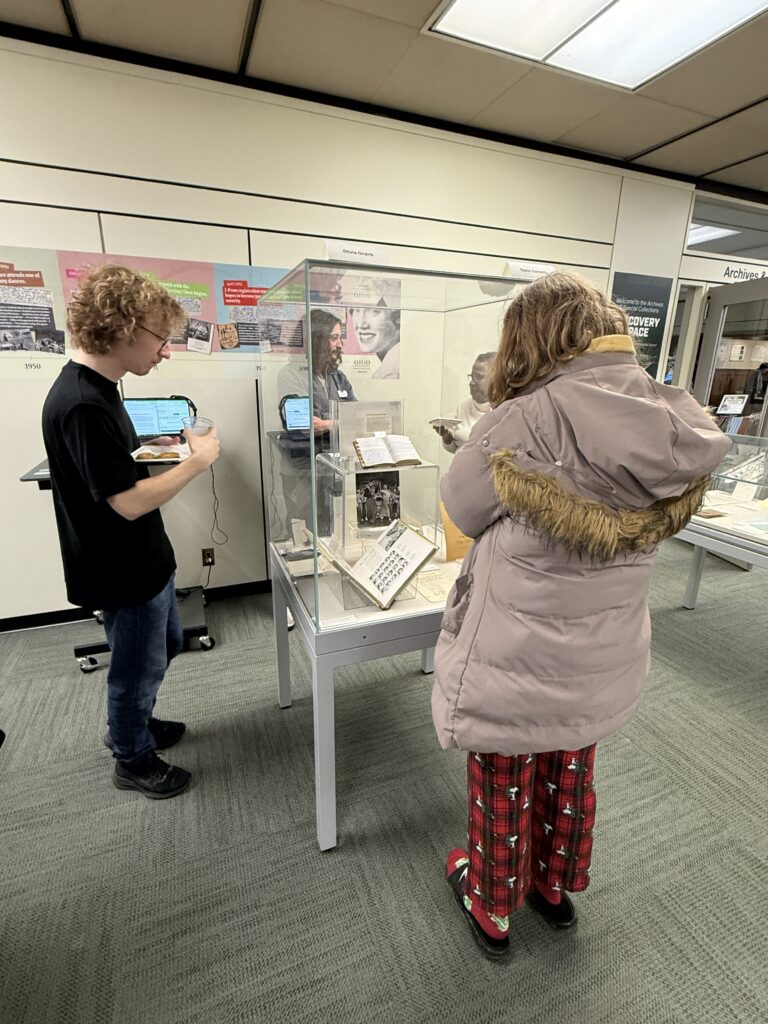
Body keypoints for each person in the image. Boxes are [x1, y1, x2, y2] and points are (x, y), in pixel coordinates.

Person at [431, 271, 730, 960]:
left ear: (529, 338)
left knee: (504, 775)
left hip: (516, 647)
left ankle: (493, 904)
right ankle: (553, 888)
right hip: (604, 650)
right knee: (570, 765)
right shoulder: (669, 413)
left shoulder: (522, 417)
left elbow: (463, 505)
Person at [42, 265, 221, 800]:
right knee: (135, 670)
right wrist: (197, 459)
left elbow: (110, 470)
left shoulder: (102, 388)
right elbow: (126, 503)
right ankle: (131, 755)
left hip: (144, 559)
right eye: (160, 338)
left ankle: (135, 723)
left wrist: (162, 446)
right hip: (121, 566)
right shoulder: (80, 402)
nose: (165, 351)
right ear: (124, 330)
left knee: (162, 645)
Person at [277, 309, 356, 536]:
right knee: (306, 531)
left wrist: (328, 424)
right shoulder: (291, 375)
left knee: (333, 529)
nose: (340, 345)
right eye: (333, 338)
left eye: (340, 338)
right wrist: (338, 422)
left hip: (333, 467)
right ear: (317, 339)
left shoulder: (337, 377)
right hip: (303, 470)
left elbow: (356, 418)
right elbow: (305, 426)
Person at [434, 352, 495, 453]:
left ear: (494, 379)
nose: (471, 382)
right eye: (472, 376)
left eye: (478, 377)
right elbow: (456, 449)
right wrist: (447, 439)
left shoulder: (503, 409)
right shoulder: (464, 406)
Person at [349, 304, 400, 379]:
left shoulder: (391, 373)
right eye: (357, 310)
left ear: (398, 318)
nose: (361, 324)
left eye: (374, 311)